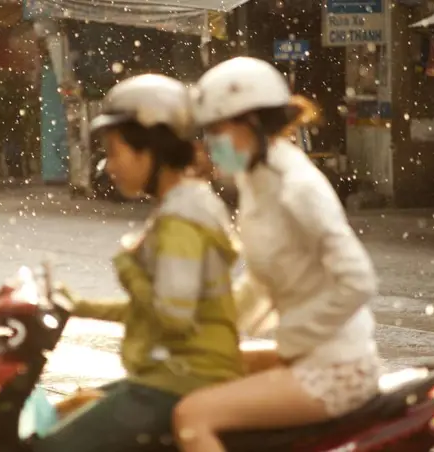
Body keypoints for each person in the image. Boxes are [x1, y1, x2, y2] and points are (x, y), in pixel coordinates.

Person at [172, 57, 382, 452]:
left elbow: (358, 281)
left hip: (336, 366)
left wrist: (291, 339)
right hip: (307, 354)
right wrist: (211, 330)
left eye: (217, 129)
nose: (210, 143)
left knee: (191, 415)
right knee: (193, 372)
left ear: (250, 122)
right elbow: (263, 279)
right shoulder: (256, 180)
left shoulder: (297, 188)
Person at [26, 74, 244, 452]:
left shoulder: (181, 221)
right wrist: (81, 306)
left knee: (52, 448)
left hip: (181, 379)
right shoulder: (187, 203)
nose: (109, 166)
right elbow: (161, 306)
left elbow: (173, 318)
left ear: (151, 150)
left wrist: (127, 271)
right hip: (174, 373)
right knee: (70, 411)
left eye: (115, 151)